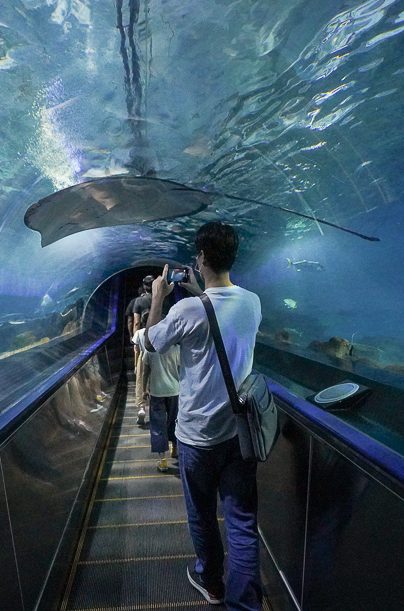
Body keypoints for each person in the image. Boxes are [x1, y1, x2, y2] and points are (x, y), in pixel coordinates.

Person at [144, 221, 263, 609]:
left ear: (201, 258)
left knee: (202, 514)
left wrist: (160, 297)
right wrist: (202, 294)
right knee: (242, 523)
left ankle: (212, 583)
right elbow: (222, 320)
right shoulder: (253, 302)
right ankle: (244, 604)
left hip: (197, 436)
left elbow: (150, 343)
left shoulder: (184, 310)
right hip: (240, 433)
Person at [133, 321, 180, 472]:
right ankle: (175, 448)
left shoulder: (150, 351)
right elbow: (182, 371)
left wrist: (145, 390)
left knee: (158, 425)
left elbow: (145, 372)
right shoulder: (177, 349)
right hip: (175, 392)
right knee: (175, 421)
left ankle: (163, 460)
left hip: (157, 392)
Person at [132, 276, 155, 425]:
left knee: (141, 379)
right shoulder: (162, 298)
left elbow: (135, 321)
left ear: (144, 286)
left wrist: (135, 337)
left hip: (143, 344)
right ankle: (158, 407)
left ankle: (141, 408)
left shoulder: (138, 301)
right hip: (160, 343)